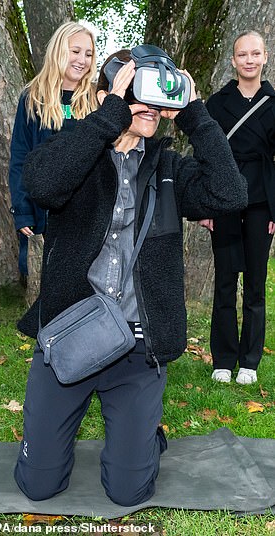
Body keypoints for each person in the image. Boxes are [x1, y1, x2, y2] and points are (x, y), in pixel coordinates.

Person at [14, 48, 247, 506]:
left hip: (138, 351)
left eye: (156, 94)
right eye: (134, 88)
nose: (149, 105)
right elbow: (41, 185)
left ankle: (143, 439)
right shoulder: (77, 153)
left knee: (128, 491)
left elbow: (230, 193)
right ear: (107, 96)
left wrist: (197, 116)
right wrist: (109, 117)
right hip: (70, 338)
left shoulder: (168, 167)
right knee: (37, 485)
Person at [199, 30, 275, 384]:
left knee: (256, 285)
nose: (249, 60)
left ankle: (249, 360)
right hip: (225, 201)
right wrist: (207, 205)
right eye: (242, 54)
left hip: (262, 202)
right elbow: (205, 157)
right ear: (233, 60)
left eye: (255, 54)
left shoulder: (274, 103)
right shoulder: (217, 103)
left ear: (264, 57)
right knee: (225, 282)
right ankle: (223, 360)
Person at [8, 21, 97, 275]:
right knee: (47, 281)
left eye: (89, 54)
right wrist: (23, 211)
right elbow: (20, 158)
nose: (82, 60)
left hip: (86, 211)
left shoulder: (96, 99)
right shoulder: (33, 98)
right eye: (75, 51)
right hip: (45, 211)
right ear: (58, 50)